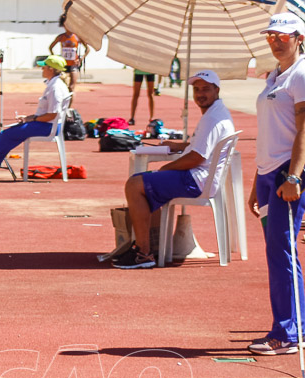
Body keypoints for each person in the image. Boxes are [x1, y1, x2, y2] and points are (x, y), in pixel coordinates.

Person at [116, 70, 234, 269]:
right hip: (203, 178)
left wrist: (166, 168)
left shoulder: (211, 119)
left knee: (135, 184)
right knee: (146, 183)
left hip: (196, 180)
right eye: (196, 90)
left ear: (216, 90)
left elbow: (196, 158)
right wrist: (181, 146)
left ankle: (143, 253)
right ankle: (151, 247)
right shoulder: (218, 112)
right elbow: (200, 147)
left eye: (205, 89)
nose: (200, 94)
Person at [248, 12, 305, 355]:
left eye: (282, 36)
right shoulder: (275, 76)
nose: (275, 40)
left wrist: (294, 176)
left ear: (299, 38)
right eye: (270, 35)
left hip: (287, 173)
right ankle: (295, 323)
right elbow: (268, 134)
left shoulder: (300, 74)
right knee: (281, 251)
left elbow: (304, 130)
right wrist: (257, 181)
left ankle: (286, 333)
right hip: (269, 174)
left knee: (281, 250)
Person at [0, 55, 68, 181]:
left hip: (47, 127)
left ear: (51, 69)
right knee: (8, 136)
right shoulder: (53, 85)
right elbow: (49, 114)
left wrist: (32, 119)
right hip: (46, 124)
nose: (41, 69)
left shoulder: (55, 88)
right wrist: (28, 118)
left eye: (44, 67)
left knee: (6, 135)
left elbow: (52, 115)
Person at [48, 15, 89, 95]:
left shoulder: (77, 37)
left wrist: (80, 59)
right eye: (66, 25)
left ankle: (69, 107)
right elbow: (51, 47)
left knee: (71, 87)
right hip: (63, 65)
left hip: (74, 65)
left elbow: (87, 49)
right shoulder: (61, 37)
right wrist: (56, 58)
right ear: (63, 25)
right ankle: (63, 104)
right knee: (63, 86)